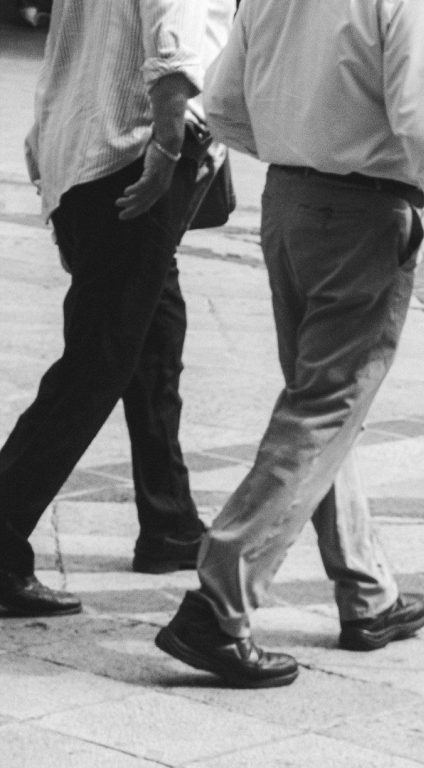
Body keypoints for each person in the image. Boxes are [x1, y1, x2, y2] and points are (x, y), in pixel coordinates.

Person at [155, 0, 424, 689]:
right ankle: (218, 605)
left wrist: (301, 149)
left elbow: (223, 103)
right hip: (364, 210)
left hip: (289, 204)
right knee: (325, 407)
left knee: (318, 405)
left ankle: (367, 590)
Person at [0, 0, 235, 618]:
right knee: (96, 364)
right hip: (133, 152)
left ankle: (170, 521)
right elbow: (175, 35)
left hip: (85, 146)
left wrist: (48, 145)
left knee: (155, 335)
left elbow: (69, 42)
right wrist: (168, 145)